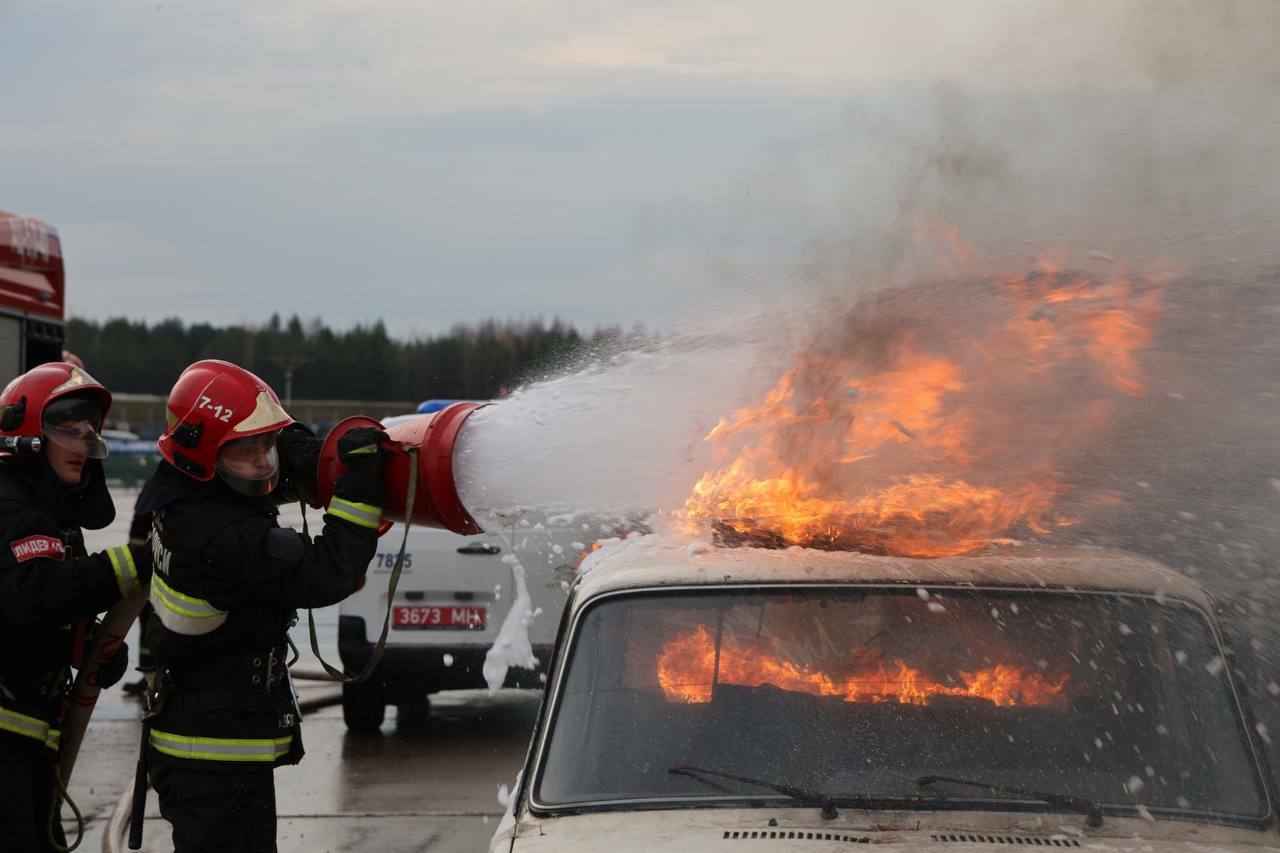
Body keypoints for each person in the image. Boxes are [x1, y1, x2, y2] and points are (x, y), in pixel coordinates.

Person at [136, 359, 386, 852]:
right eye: (245, 450)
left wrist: (304, 450)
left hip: (205, 740)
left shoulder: (180, 487)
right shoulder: (224, 539)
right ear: (204, 454)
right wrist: (360, 487)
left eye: (266, 445)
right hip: (214, 756)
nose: (264, 463)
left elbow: (258, 454)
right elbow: (329, 572)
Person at [0, 362, 149, 852]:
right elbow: (33, 594)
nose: (83, 443)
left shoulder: (52, 517)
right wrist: (127, 566)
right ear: (28, 438)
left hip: (29, 738)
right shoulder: (10, 507)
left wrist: (89, 650)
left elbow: (40, 619)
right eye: (67, 428)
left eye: (89, 430)